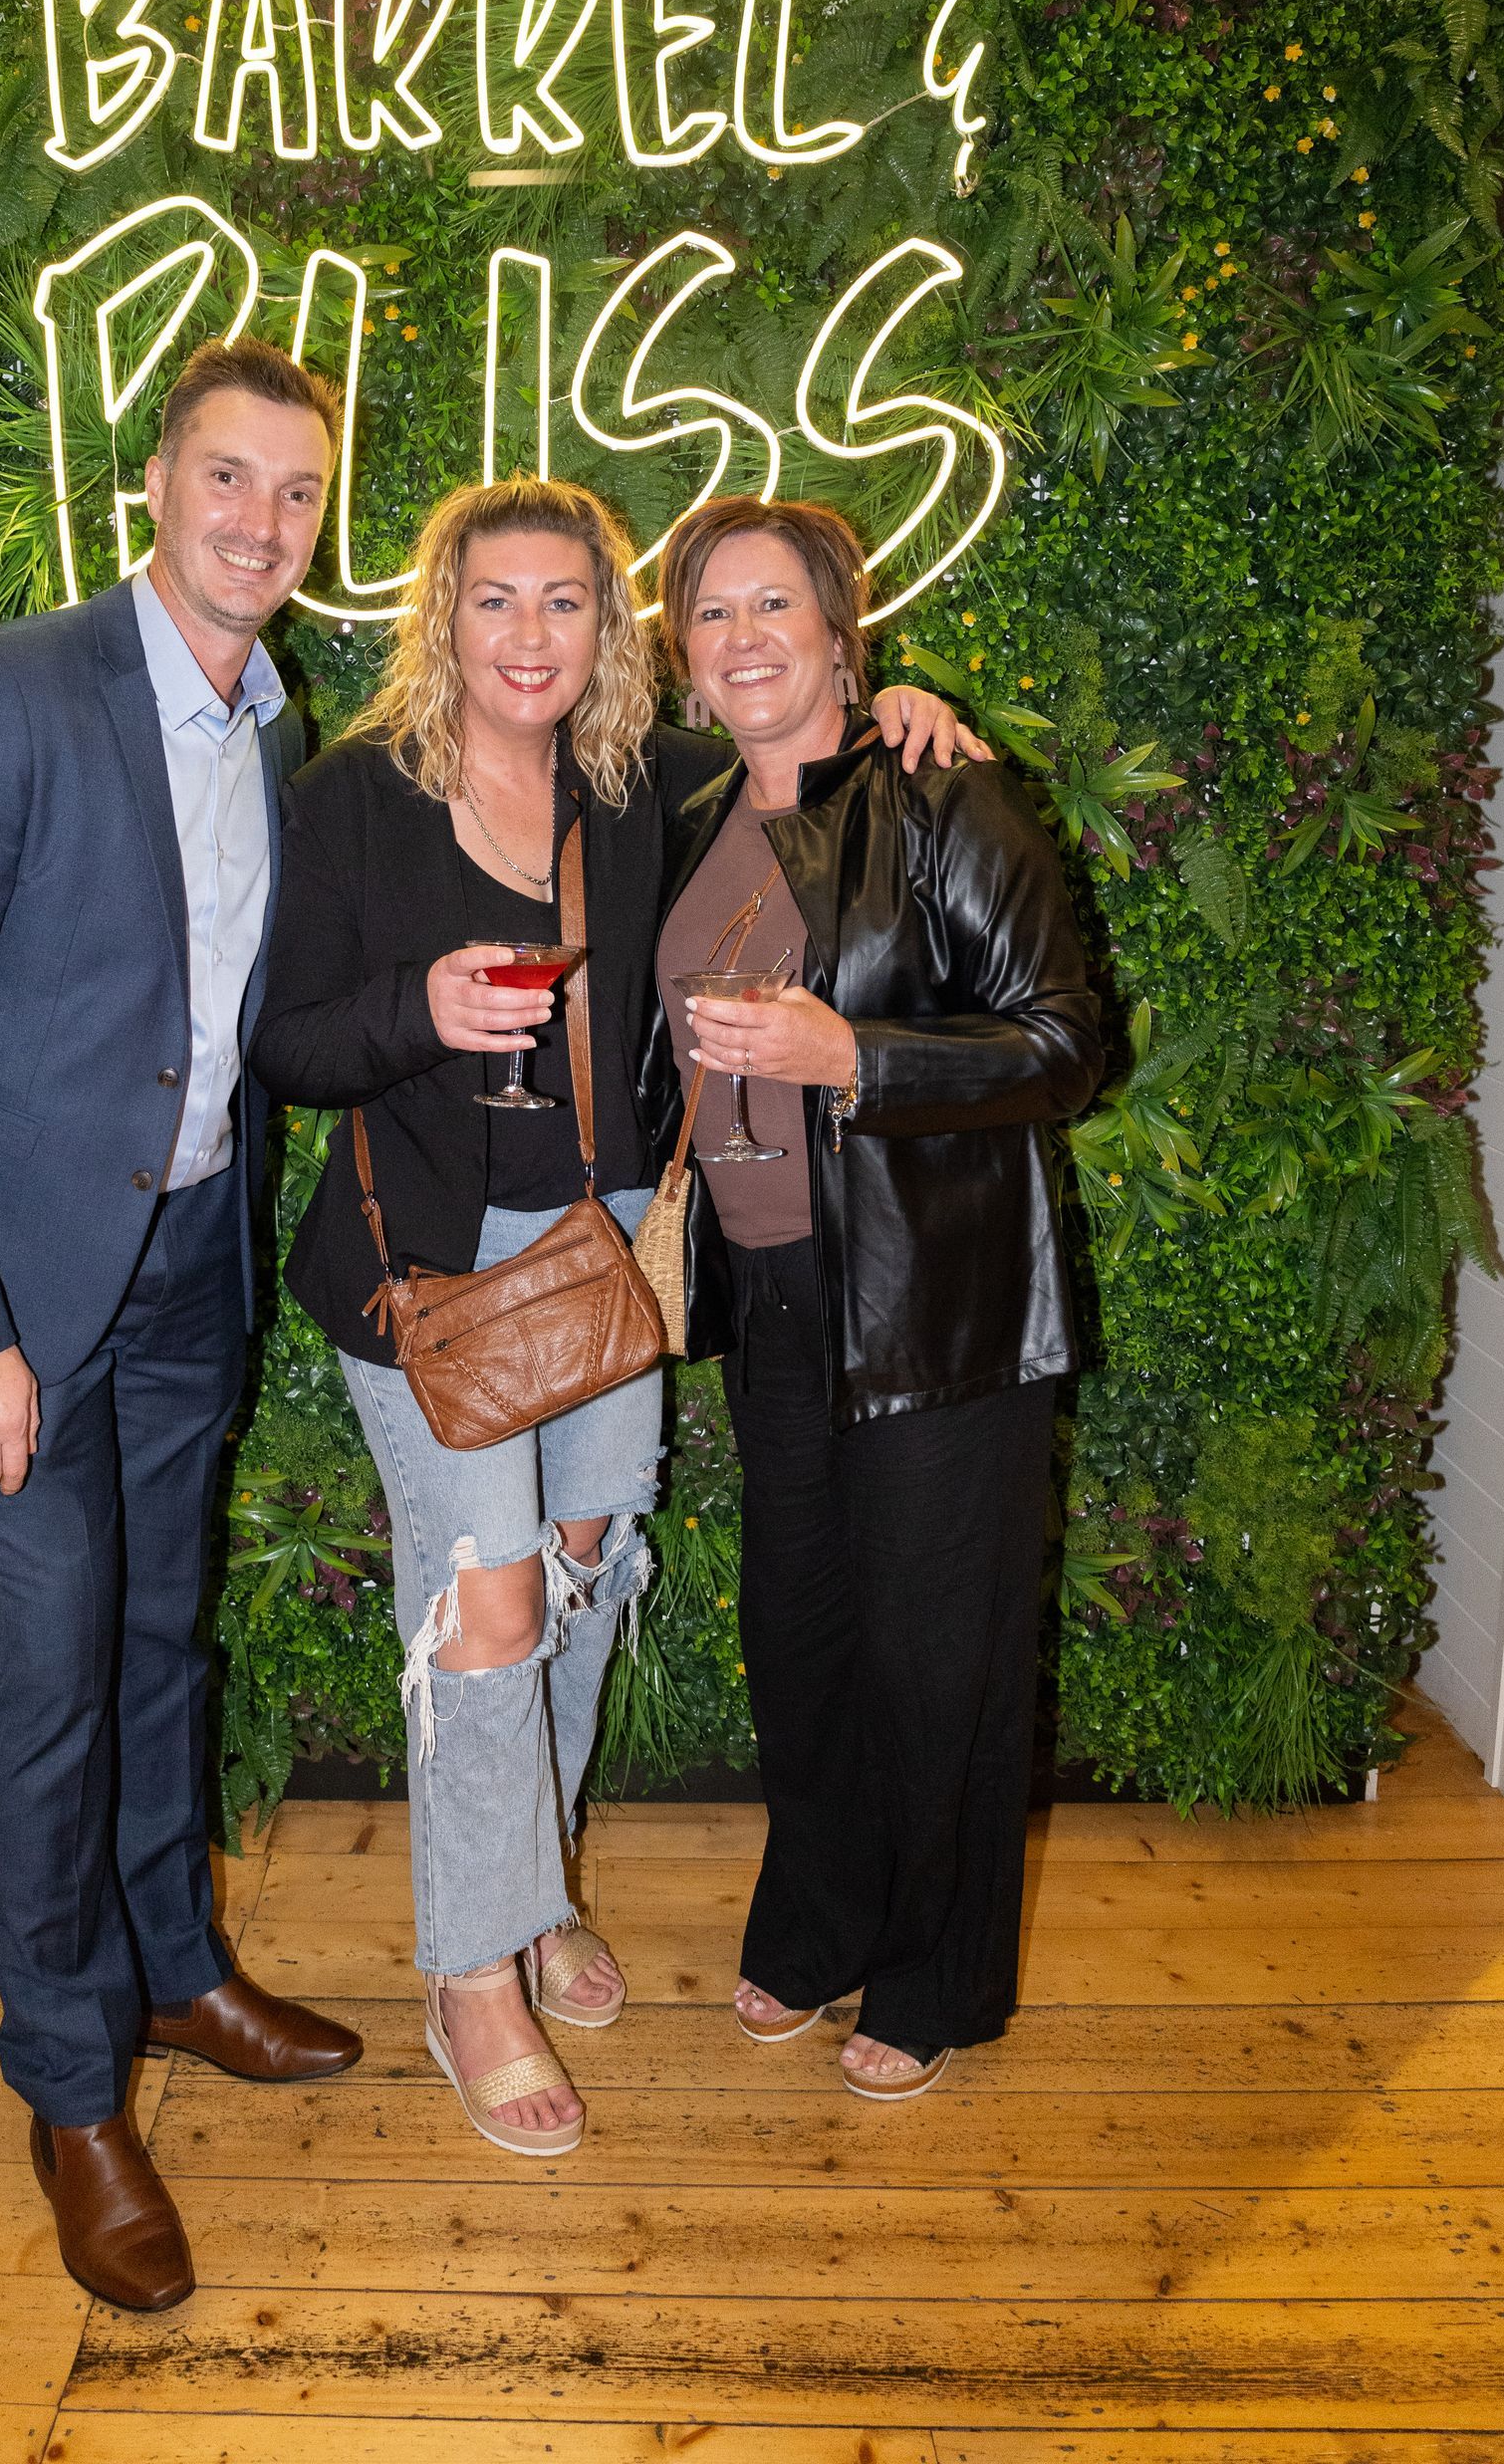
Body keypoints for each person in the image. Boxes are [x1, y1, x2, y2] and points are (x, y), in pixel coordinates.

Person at [252, 475, 981, 2155]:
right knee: (488, 1607)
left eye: (565, 603)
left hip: (605, 1253)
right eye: (495, 600)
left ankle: (530, 1881)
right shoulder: (356, 795)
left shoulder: (634, 779)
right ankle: (472, 1974)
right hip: (427, 1276)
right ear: (441, 614)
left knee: (585, 1560)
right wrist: (417, 1012)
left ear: (605, 627)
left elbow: (796, 736)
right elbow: (288, 1044)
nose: (530, 635)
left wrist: (899, 708)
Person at [0, 336, 365, 2314]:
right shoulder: (14, 687)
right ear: (156, 486)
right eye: (230, 479)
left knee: (158, 1644)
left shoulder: (281, 727)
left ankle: (175, 1971)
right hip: (21, 1306)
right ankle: (71, 2086)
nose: (261, 522)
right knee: (53, 1676)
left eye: (296, 493)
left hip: (194, 1265)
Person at [655, 496, 1103, 2100]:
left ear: (846, 637)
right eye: (713, 614)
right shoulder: (686, 805)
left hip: (936, 1307)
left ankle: (931, 1976)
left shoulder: (939, 792)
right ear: (685, 661)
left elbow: (1065, 1042)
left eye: (779, 606)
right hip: (774, 1298)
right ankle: (822, 1920)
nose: (747, 637)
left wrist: (858, 1056)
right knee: (805, 1637)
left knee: (941, 1659)